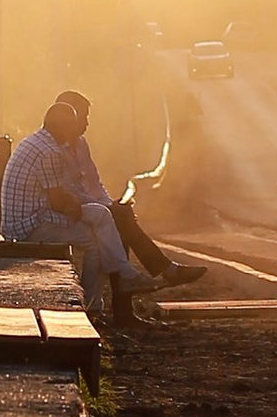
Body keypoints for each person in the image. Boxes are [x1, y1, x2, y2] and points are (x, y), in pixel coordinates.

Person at [0, 92, 156, 322]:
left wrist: (75, 204)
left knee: (100, 219)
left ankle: (117, 282)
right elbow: (56, 201)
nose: (76, 131)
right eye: (71, 126)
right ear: (62, 127)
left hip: (24, 218)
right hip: (28, 225)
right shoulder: (50, 152)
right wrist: (75, 206)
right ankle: (93, 305)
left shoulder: (37, 141)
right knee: (95, 241)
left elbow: (57, 194)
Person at [48, 89, 206, 289]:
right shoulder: (53, 150)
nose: (87, 124)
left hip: (84, 208)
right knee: (119, 219)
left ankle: (129, 304)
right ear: (70, 117)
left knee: (119, 218)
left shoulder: (80, 144)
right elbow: (67, 193)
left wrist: (110, 205)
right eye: (84, 118)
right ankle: (163, 273)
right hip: (59, 213)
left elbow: (94, 182)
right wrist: (108, 209)